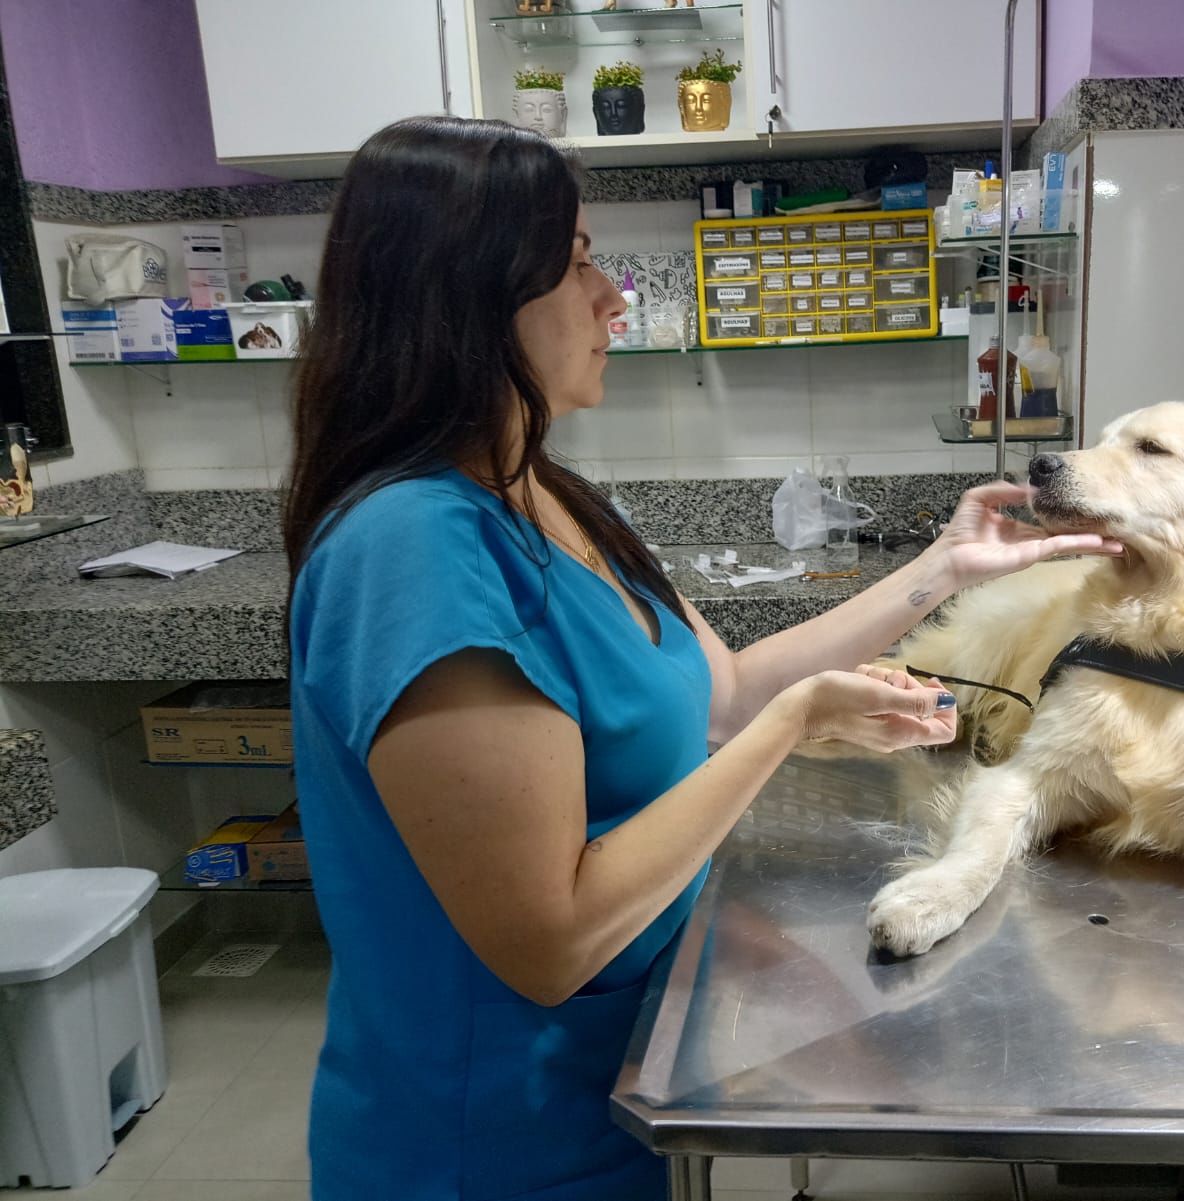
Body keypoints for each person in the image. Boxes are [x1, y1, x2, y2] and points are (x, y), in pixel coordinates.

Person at [282, 115, 1122, 1201]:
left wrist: (944, 568)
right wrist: (799, 725)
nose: (611, 299)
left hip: (618, 1103)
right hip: (489, 1150)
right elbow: (554, 936)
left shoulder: (548, 494)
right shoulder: (415, 549)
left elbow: (723, 694)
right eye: (578, 262)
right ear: (472, 292)